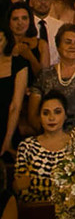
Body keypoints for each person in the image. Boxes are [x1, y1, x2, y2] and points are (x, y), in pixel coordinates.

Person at [28, 24, 75, 131]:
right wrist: (51, 135)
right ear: (58, 46)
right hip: (49, 136)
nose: (72, 46)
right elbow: (32, 115)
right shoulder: (44, 75)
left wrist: (73, 137)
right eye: (68, 42)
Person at [14, 88, 70, 204]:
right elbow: (21, 187)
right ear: (39, 117)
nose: (51, 118)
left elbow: (74, 189)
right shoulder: (27, 146)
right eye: (46, 113)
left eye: (57, 112)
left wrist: (33, 183)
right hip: (33, 212)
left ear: (65, 115)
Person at [0, 17, 30, 157]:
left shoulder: (19, 64)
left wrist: (7, 140)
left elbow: (15, 105)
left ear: (6, 40)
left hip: (7, 123)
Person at [6, 4, 46, 82]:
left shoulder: (41, 44)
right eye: (15, 19)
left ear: (30, 21)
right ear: (9, 22)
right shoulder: (2, 43)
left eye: (24, 18)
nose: (20, 23)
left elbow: (44, 78)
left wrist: (30, 57)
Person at [27, 0, 61, 65]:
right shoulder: (25, 25)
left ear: (52, 1)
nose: (43, 2)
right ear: (31, 2)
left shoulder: (60, 26)